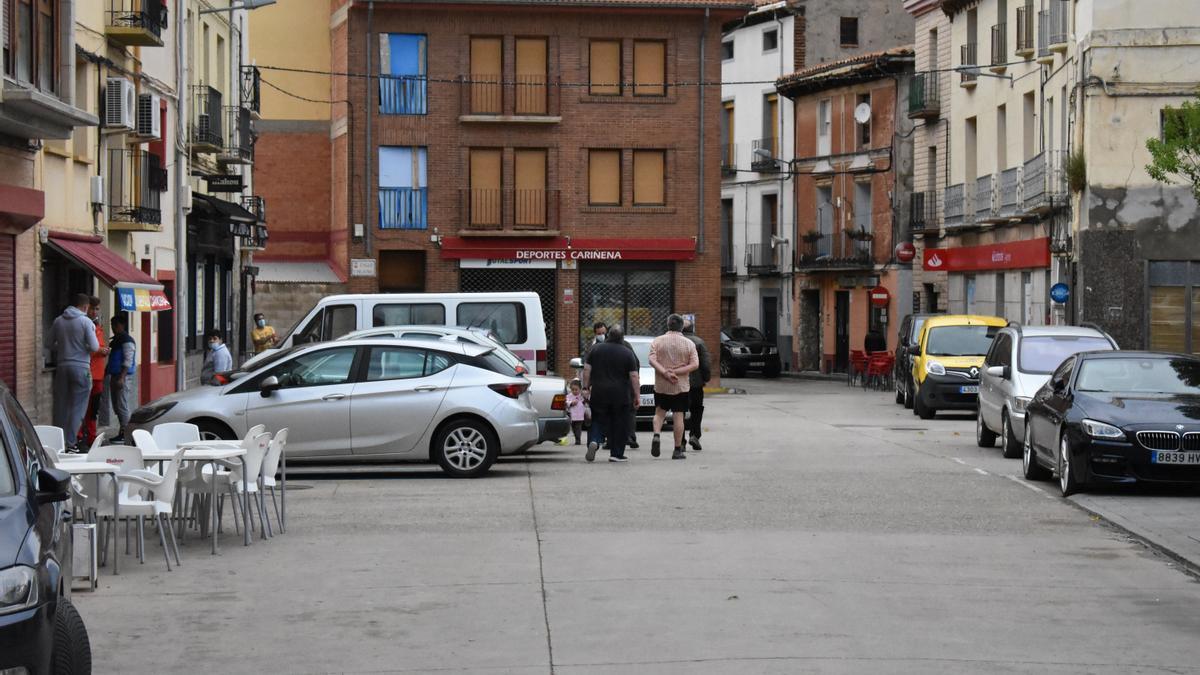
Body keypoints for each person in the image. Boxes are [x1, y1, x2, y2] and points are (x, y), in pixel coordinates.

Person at [49, 293, 100, 449]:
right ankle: (70, 443)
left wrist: (64, 348)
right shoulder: (85, 322)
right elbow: (94, 347)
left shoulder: (58, 321)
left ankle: (58, 442)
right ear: (85, 307)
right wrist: (80, 347)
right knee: (78, 406)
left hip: (62, 366)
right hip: (81, 367)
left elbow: (49, 343)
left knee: (61, 405)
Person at [583, 326, 639, 463]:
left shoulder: (595, 349)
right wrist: (637, 395)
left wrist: (585, 387)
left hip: (599, 392)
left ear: (608, 335)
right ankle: (616, 454)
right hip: (621, 395)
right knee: (619, 423)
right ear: (622, 337)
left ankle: (595, 440)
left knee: (597, 419)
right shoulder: (627, 352)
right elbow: (634, 376)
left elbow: (586, 369)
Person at [649, 314, 699, 460]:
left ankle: (657, 434)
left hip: (661, 385)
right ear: (681, 326)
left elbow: (651, 359)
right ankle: (677, 449)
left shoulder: (657, 341)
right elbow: (695, 364)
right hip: (680, 385)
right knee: (679, 416)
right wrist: (676, 372)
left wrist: (665, 372)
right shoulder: (689, 344)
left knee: (659, 413)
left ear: (668, 325)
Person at [80, 296, 110, 447]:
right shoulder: (85, 325)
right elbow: (87, 349)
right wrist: (101, 351)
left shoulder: (97, 326)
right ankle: (80, 437)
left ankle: (91, 437)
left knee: (93, 409)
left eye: (97, 309)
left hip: (98, 374)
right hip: (88, 371)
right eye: (92, 308)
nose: (95, 312)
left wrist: (103, 350)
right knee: (83, 406)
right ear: (86, 308)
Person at [682, 319, 712, 451]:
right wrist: (705, 378)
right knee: (697, 409)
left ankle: (680, 441)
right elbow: (705, 363)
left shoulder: (676, 342)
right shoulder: (699, 342)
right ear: (692, 328)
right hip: (695, 383)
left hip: (679, 383)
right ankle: (694, 434)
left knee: (679, 411)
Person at [106, 315, 136, 443]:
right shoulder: (117, 340)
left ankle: (126, 433)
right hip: (114, 375)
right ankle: (122, 430)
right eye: (112, 325)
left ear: (122, 325)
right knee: (117, 406)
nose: (113, 328)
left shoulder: (127, 341)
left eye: (116, 325)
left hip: (122, 376)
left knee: (122, 406)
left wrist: (121, 378)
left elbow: (128, 360)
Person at [565, 379, 588, 445]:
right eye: (573, 389)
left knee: (578, 428)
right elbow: (566, 402)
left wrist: (584, 400)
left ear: (580, 389)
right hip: (572, 415)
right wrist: (571, 403)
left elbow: (585, 401)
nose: (574, 391)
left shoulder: (581, 396)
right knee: (573, 428)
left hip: (580, 415)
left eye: (576, 389)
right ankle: (576, 437)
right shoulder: (569, 396)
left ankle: (578, 440)